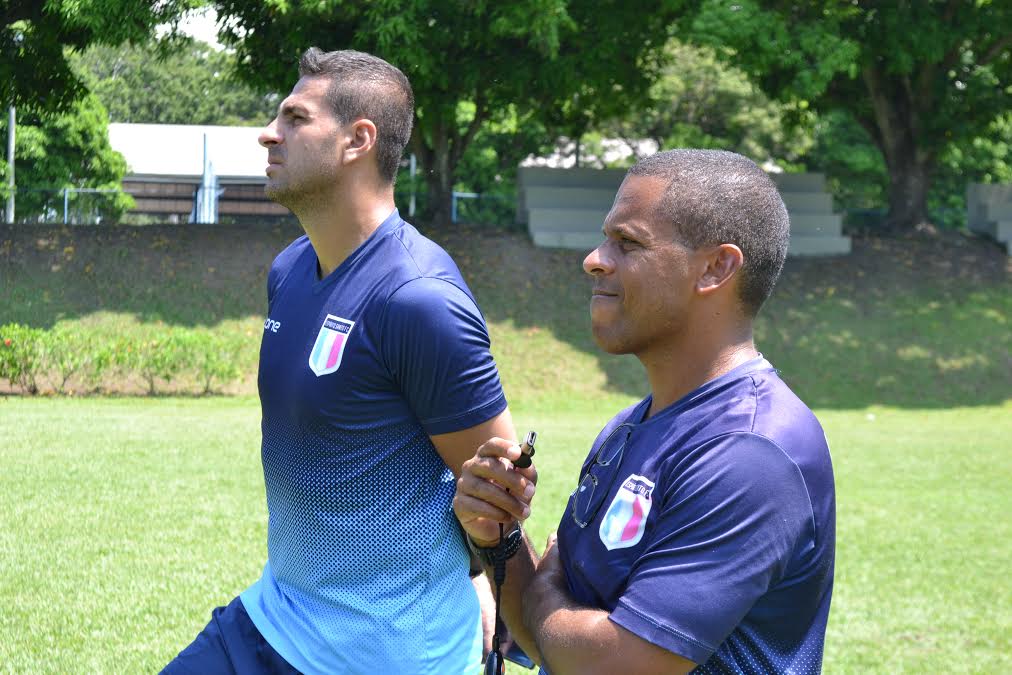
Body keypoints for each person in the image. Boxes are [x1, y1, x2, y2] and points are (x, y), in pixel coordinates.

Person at [163, 47, 515, 674]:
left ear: (358, 140)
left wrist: (485, 583)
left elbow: (496, 491)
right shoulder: (291, 268)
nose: (269, 133)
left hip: (389, 655)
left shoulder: (419, 299)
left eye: (296, 118)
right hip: (275, 616)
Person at [454, 149, 836, 674]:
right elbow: (557, 648)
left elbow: (614, 667)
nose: (595, 258)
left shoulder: (750, 450)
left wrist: (546, 587)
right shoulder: (632, 425)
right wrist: (499, 538)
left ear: (716, 267)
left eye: (628, 243)